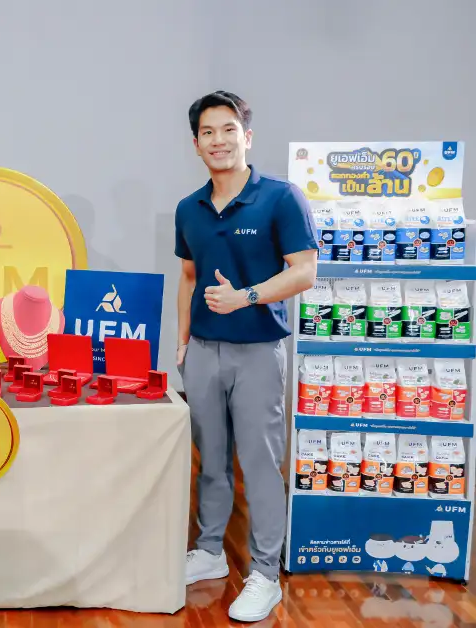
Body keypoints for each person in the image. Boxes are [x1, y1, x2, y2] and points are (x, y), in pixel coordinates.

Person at [174, 91, 317, 623]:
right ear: (196, 144)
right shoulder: (189, 208)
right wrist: (182, 343)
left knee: (259, 464)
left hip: (258, 351)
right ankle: (210, 550)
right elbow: (188, 277)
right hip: (202, 352)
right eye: (207, 132)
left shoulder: (281, 198)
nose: (219, 140)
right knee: (210, 459)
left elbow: (305, 271)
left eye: (228, 129)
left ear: (247, 137)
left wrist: (247, 297)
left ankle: (264, 574)